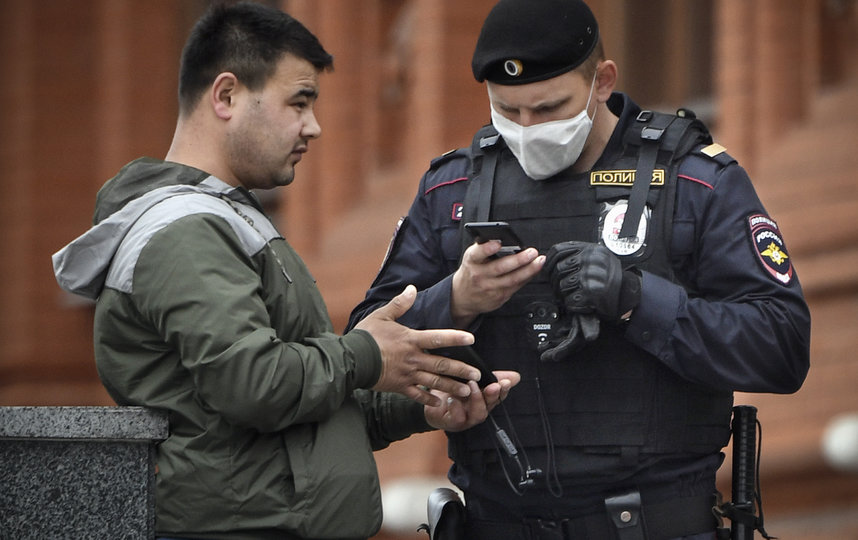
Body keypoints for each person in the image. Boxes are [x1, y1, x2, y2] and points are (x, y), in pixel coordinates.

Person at [51, 3, 519, 539]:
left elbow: (301, 419)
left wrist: (420, 404)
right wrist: (367, 352)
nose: (313, 127)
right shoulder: (185, 231)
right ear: (225, 96)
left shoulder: (231, 218)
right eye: (298, 103)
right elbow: (254, 384)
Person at [346, 0, 811, 539]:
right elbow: (362, 349)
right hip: (495, 520)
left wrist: (635, 299)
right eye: (507, 111)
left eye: (548, 109)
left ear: (602, 82)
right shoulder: (452, 189)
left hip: (650, 522)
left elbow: (782, 347)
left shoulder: (695, 181)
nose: (526, 129)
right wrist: (457, 298)